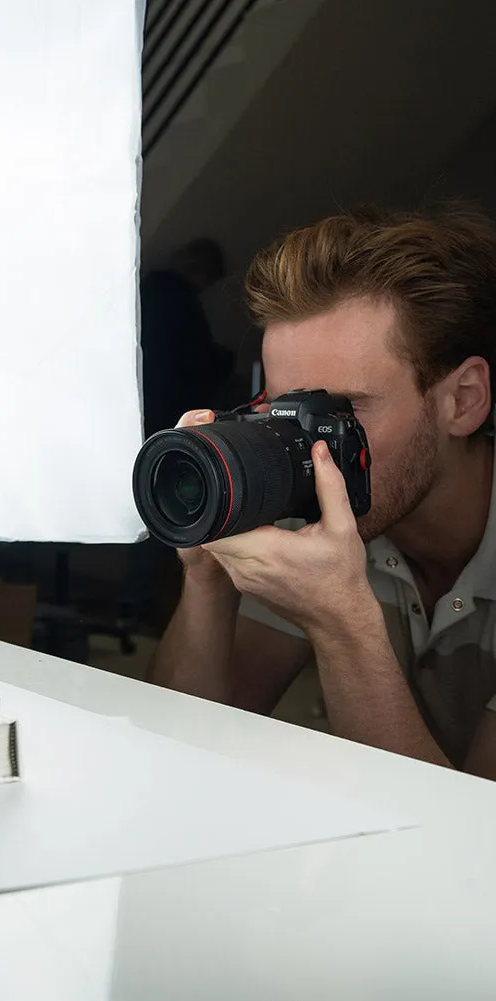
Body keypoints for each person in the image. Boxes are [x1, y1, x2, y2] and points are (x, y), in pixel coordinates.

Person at [151, 204, 496, 779]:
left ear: (462, 399)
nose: (301, 445)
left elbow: (471, 845)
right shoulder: (320, 516)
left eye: (336, 412)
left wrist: (342, 622)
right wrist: (206, 573)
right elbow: (182, 749)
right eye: (282, 410)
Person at [140, 237, 235, 440]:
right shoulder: (180, 298)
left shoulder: (151, 288)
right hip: (173, 396)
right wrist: (225, 360)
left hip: (152, 392)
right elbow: (194, 352)